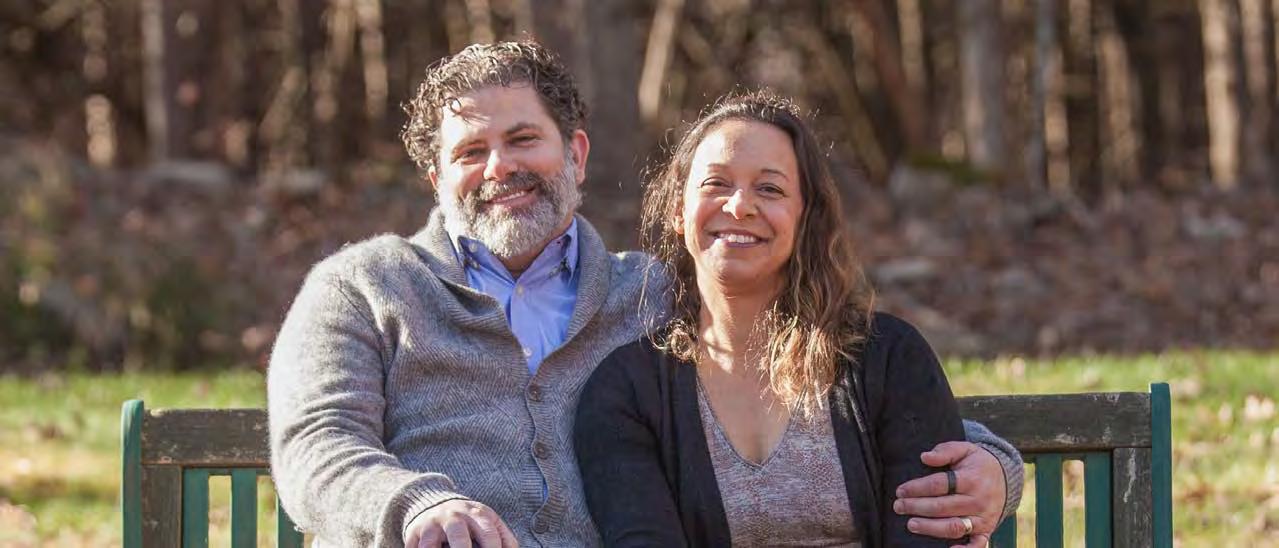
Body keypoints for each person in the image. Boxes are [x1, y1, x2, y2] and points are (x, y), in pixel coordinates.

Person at [268, 41, 1021, 548]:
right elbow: (315, 447)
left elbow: (817, 386)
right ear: (436, 178)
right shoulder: (364, 288)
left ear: (575, 153)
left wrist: (993, 466)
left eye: (523, 139)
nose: (500, 167)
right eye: (470, 151)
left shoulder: (652, 295)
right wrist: (417, 505)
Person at [573, 92, 1011, 547]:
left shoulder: (889, 360)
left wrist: (1002, 470)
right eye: (716, 183)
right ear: (678, 212)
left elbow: (924, 536)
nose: (739, 206)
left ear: (806, 218)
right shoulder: (626, 391)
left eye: (770, 189)